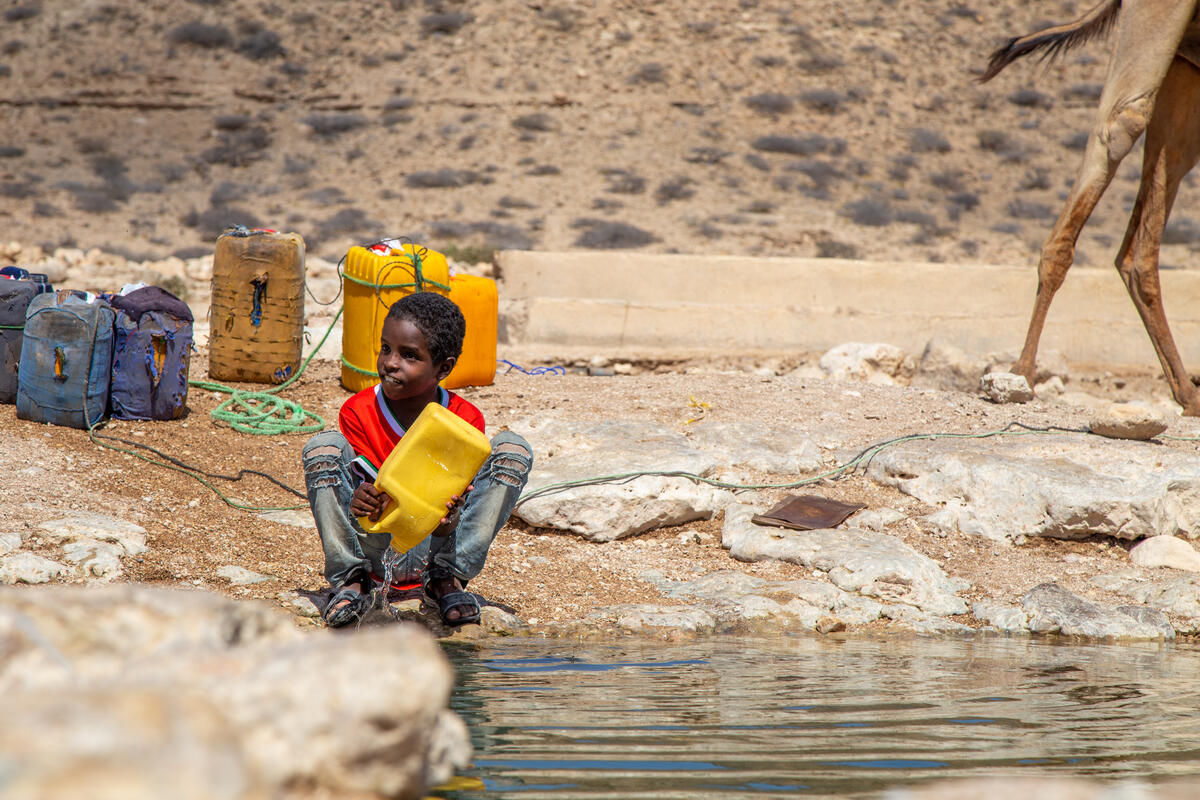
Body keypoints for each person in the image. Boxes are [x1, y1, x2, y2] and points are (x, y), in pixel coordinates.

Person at [301, 291, 532, 628]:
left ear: (444, 367)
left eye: (409, 355)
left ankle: (445, 581)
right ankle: (352, 580)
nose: (390, 362)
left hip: (436, 548)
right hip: (377, 549)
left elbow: (450, 514)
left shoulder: (464, 422)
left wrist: (449, 518)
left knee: (513, 449)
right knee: (324, 447)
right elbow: (360, 500)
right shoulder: (358, 411)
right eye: (385, 349)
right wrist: (358, 500)